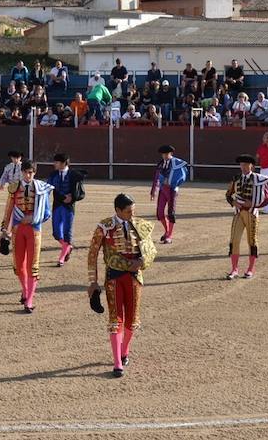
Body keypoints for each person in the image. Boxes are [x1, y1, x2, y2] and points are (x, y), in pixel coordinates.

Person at [87, 193, 156, 378]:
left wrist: (141, 260)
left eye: (133, 211)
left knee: (132, 320)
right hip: (114, 278)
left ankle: (124, 351)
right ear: (118, 210)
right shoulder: (104, 226)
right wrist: (93, 282)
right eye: (128, 211)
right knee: (115, 319)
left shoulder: (139, 224)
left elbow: (150, 249)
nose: (132, 215)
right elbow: (92, 255)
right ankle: (117, 362)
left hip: (134, 277)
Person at [0, 163, 54, 313]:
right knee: (19, 265)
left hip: (34, 230)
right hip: (18, 230)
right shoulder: (14, 187)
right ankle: (25, 290)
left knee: (33, 266)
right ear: (22, 172)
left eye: (30, 172)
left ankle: (29, 300)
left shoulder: (41, 189)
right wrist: (4, 229)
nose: (28, 175)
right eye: (25, 172)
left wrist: (33, 218)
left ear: (34, 173)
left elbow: (47, 213)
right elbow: (9, 209)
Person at [224, 155, 268, 280]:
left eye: (246, 164)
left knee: (252, 241)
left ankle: (250, 269)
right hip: (239, 213)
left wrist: (254, 204)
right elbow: (228, 195)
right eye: (241, 164)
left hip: (252, 214)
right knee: (234, 240)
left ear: (252, 166)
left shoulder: (259, 179)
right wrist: (234, 203)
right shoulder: (236, 178)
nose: (243, 167)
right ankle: (234, 269)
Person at [47, 153, 86, 266]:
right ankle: (67, 247)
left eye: (56, 162)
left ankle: (62, 257)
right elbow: (47, 188)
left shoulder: (74, 175)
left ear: (63, 163)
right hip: (57, 206)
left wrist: (72, 198)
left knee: (67, 232)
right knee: (56, 233)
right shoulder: (53, 174)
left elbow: (82, 194)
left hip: (69, 208)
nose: (54, 164)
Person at [149, 144, 188, 244]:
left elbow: (183, 175)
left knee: (171, 212)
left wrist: (175, 183)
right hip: (163, 190)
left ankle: (169, 236)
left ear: (171, 153)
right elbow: (156, 178)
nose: (165, 156)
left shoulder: (177, 162)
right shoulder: (161, 164)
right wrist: (153, 191)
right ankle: (167, 231)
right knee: (160, 213)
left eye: (167, 154)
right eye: (163, 154)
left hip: (172, 190)